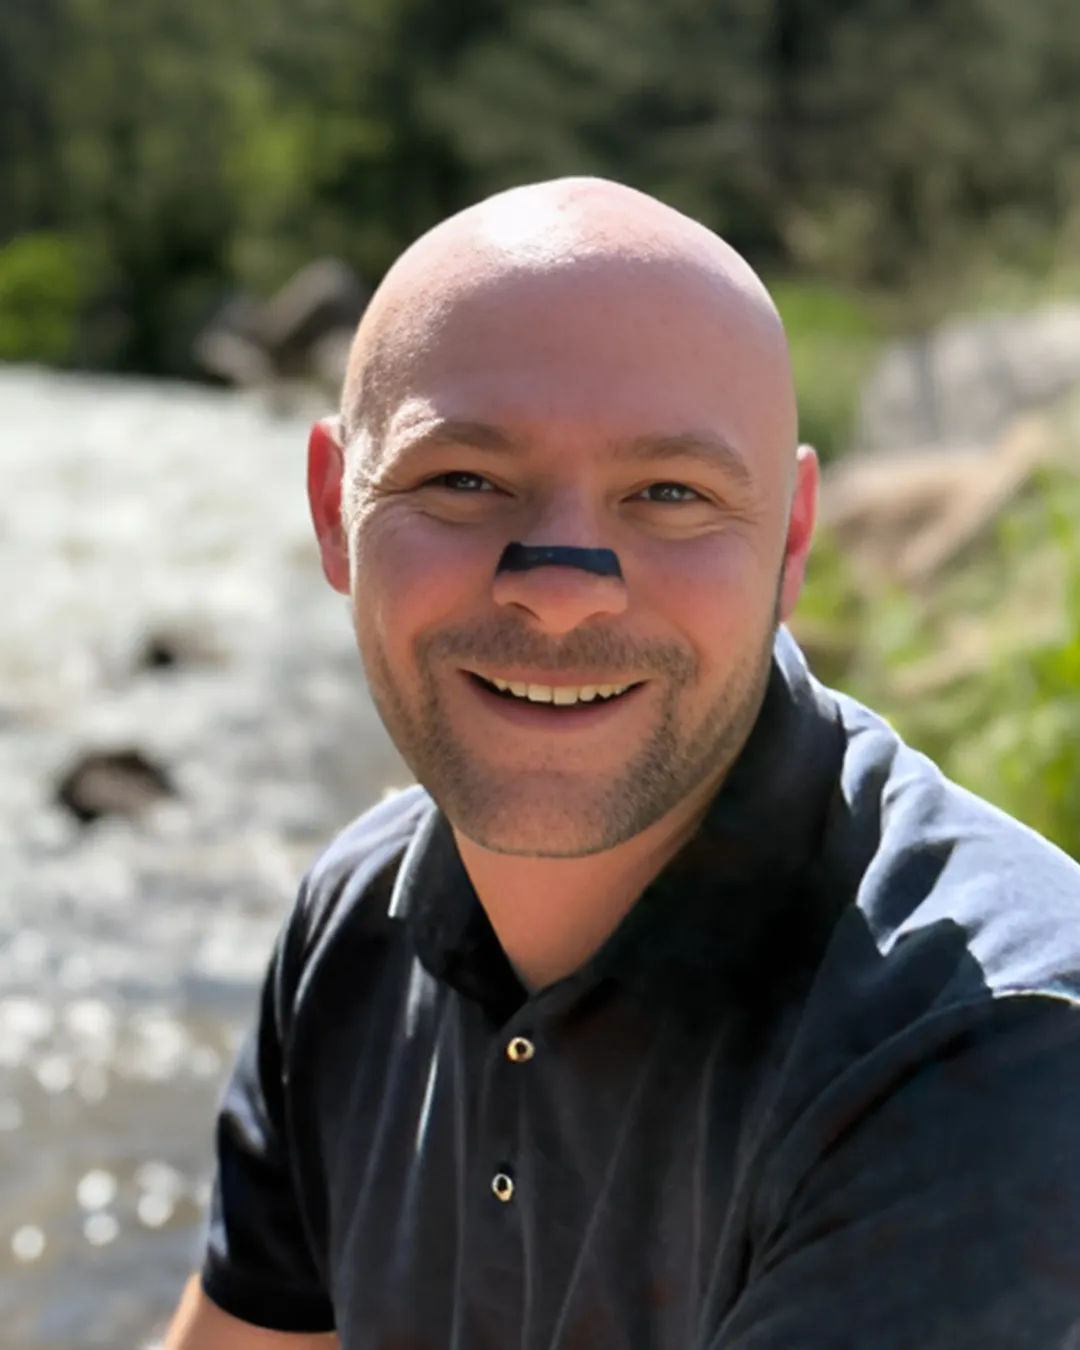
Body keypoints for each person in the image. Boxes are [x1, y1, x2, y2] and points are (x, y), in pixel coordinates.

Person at [164, 178, 1080, 1350]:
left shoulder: (990, 1054)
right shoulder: (352, 930)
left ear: (792, 544)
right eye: (464, 480)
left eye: (668, 494)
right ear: (335, 506)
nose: (556, 588)